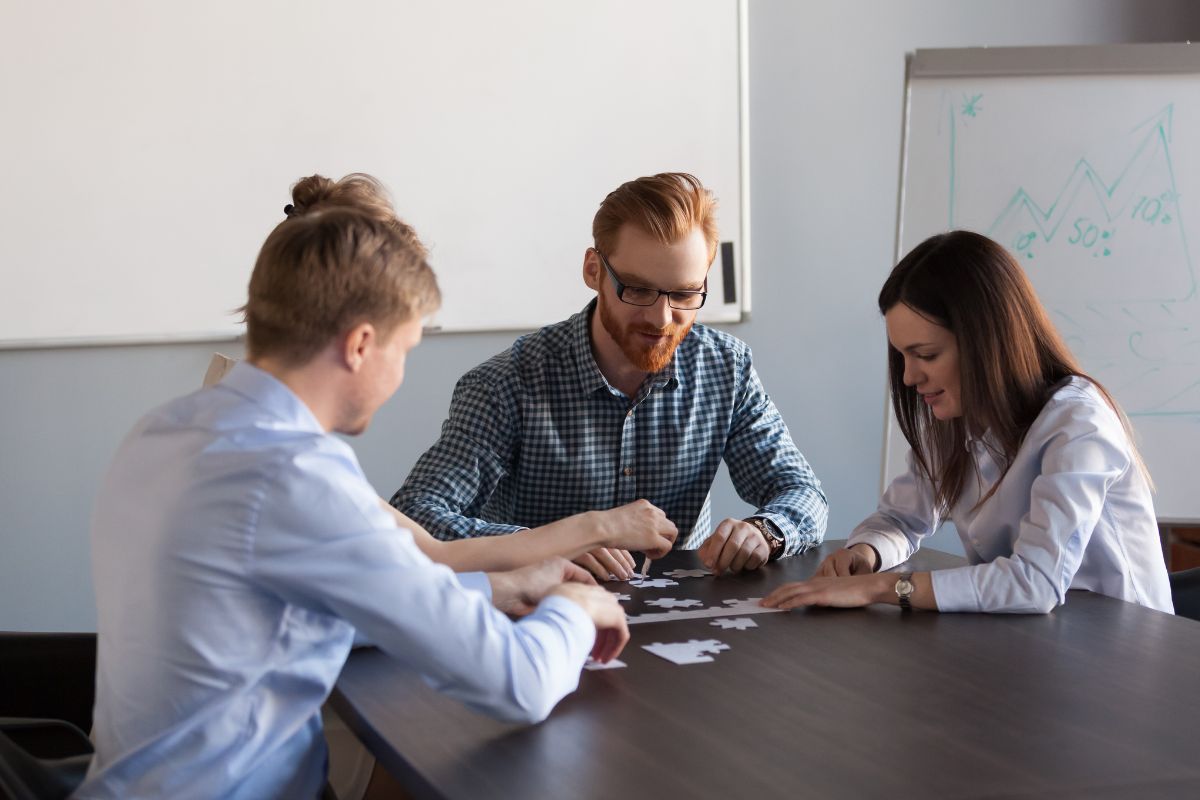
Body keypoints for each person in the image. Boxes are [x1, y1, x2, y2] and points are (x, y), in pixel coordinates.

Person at [78, 174, 630, 800]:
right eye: (405, 350)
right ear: (362, 344)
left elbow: (289, 609)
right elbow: (518, 685)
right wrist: (576, 612)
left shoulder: (164, 432)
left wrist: (495, 588)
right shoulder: (296, 476)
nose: (398, 378)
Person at [392, 172, 828, 578]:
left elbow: (801, 490)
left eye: (684, 293)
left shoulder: (725, 368)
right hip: (545, 614)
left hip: (682, 618)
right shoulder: (507, 384)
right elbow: (415, 517)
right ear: (593, 271)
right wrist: (553, 544)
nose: (661, 318)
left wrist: (766, 532)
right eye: (637, 289)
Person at [762, 230, 1173, 615]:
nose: (909, 377)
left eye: (926, 355)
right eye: (903, 356)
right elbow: (901, 518)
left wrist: (881, 588)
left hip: (1123, 654)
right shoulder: (959, 417)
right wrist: (864, 554)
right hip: (1037, 644)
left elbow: (1034, 582)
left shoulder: (1078, 421)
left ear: (986, 342)